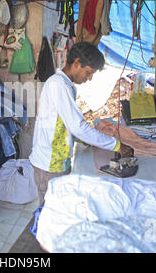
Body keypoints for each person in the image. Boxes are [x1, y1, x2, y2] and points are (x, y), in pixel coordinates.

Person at [29, 41, 133, 206]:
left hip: (56, 160)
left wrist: (80, 138)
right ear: (76, 63)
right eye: (88, 72)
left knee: (56, 210)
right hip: (50, 164)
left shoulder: (67, 86)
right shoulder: (58, 85)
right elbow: (77, 126)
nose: (89, 78)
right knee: (52, 212)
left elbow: (64, 122)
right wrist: (116, 145)